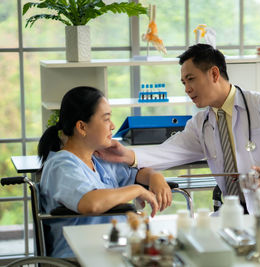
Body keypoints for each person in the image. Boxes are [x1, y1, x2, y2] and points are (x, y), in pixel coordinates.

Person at [96, 44, 260, 214]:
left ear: (214, 74)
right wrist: (128, 155)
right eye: (183, 83)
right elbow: (169, 151)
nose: (187, 88)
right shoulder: (201, 124)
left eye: (191, 79)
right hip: (237, 212)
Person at [38, 86, 172, 258]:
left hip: (110, 249)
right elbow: (91, 204)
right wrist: (138, 190)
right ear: (82, 127)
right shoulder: (62, 166)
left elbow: (137, 174)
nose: (113, 126)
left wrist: (155, 176)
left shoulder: (98, 160)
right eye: (106, 119)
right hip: (81, 255)